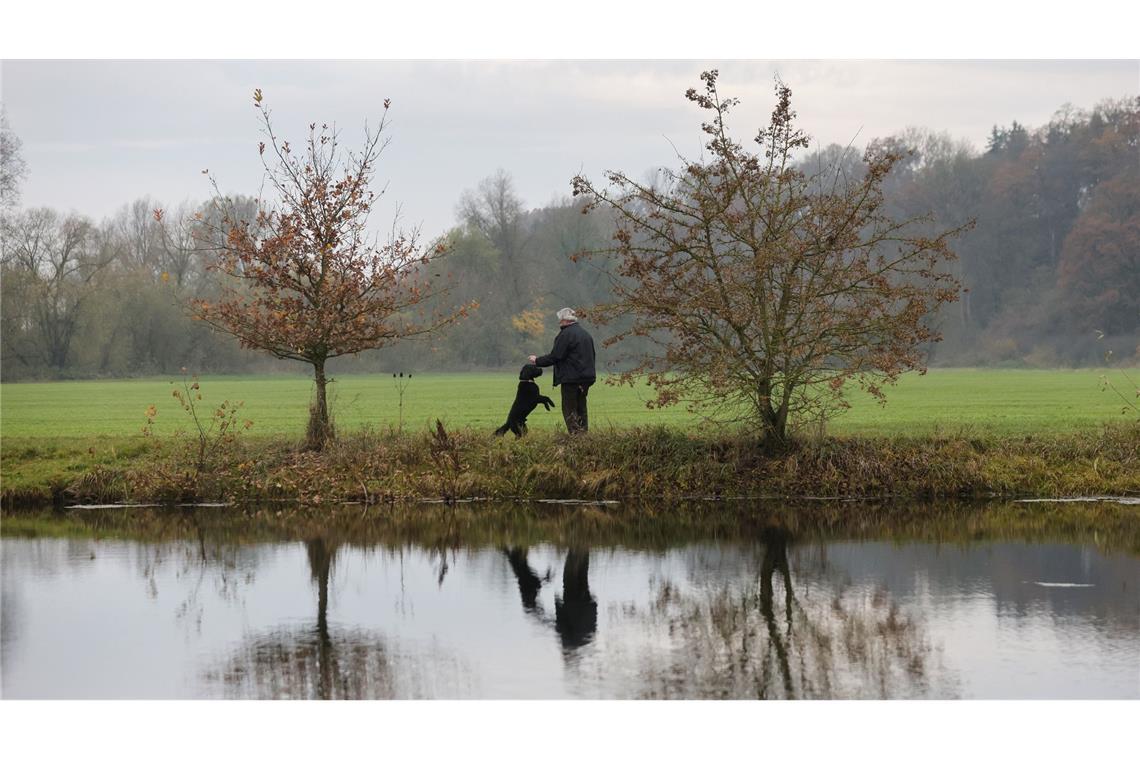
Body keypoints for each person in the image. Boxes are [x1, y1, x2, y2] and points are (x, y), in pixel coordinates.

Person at [529, 307, 595, 433]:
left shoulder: (566, 334)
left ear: (565, 320)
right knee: (581, 409)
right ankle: (584, 438)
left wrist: (537, 361)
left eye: (560, 320)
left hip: (571, 379)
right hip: (586, 378)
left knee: (569, 409)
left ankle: (575, 439)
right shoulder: (585, 334)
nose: (559, 323)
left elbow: (556, 356)